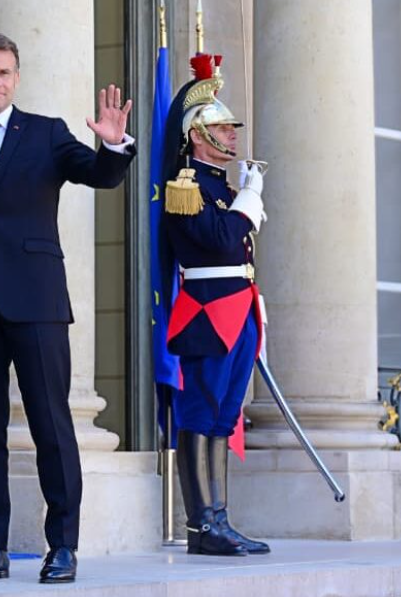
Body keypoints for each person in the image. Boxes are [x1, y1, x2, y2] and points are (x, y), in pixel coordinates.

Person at [0, 32, 134, 584]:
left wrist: (113, 146)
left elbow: (100, 175)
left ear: (16, 79)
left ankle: (62, 546)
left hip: (37, 303)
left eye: (4, 73)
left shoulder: (45, 134)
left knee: (51, 423)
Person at [159, 50, 268, 556]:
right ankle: (200, 523)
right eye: (223, 130)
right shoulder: (187, 186)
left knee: (225, 415)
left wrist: (242, 196)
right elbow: (219, 238)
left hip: (238, 307)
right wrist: (249, 201)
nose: (232, 137)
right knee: (200, 412)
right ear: (199, 136)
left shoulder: (220, 186)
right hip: (207, 310)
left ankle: (219, 518)